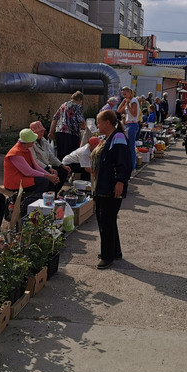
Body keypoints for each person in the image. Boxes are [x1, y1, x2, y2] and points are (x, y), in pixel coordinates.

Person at [93, 109, 132, 269]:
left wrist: (120, 181)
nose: (97, 125)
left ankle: (107, 256)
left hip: (111, 187)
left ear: (107, 123)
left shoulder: (118, 137)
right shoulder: (110, 137)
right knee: (107, 219)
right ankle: (114, 250)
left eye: (98, 122)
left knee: (106, 221)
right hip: (103, 185)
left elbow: (124, 161)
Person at [3, 128, 60, 213]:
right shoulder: (15, 153)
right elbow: (29, 172)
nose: (34, 141)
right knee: (43, 181)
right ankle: (25, 206)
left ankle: (41, 205)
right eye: (32, 140)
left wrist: (50, 175)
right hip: (14, 182)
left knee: (50, 181)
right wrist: (47, 176)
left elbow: (36, 166)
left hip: (24, 179)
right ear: (26, 142)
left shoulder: (26, 149)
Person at [29, 121, 70, 190]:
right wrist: (48, 169)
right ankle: (49, 193)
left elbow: (50, 155)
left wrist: (61, 165)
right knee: (50, 177)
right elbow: (35, 160)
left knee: (63, 171)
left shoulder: (43, 140)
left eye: (42, 131)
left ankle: (55, 192)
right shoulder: (30, 143)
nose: (42, 133)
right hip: (38, 168)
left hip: (46, 166)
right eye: (40, 131)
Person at [49, 91, 86, 161]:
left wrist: (51, 132)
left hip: (60, 132)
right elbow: (81, 122)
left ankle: (62, 170)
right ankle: (70, 170)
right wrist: (86, 130)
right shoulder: (77, 106)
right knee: (70, 156)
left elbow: (55, 118)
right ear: (80, 100)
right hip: (71, 134)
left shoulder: (63, 105)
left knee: (61, 154)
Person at [117, 86, 140, 169]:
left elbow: (134, 113)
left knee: (131, 146)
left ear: (130, 93)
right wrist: (124, 102)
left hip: (132, 125)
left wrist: (127, 104)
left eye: (125, 94)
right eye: (123, 94)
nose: (124, 96)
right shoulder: (127, 100)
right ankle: (130, 164)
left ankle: (132, 166)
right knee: (128, 146)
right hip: (128, 125)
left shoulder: (134, 101)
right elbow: (119, 110)